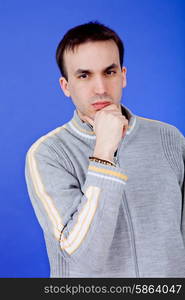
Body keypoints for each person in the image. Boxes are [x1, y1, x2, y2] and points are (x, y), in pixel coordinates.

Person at [25, 21, 185, 278]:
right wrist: (103, 155)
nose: (100, 89)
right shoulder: (48, 154)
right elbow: (80, 259)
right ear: (66, 86)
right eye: (84, 75)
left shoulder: (169, 139)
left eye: (109, 73)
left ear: (123, 75)